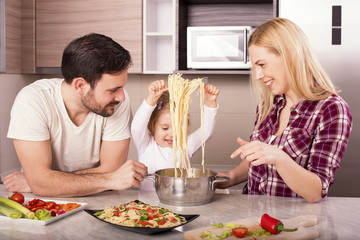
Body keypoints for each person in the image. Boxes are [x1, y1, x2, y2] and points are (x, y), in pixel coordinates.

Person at [216, 18, 352, 203]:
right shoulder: (269, 104)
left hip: (293, 225)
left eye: (262, 65)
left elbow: (316, 191)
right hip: (252, 218)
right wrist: (230, 178)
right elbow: (258, 159)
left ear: (290, 55)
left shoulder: (331, 109)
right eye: (255, 67)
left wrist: (279, 158)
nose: (257, 75)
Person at [4, 33, 148, 197]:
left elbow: (113, 170)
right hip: (42, 203)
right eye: (113, 90)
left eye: (122, 87)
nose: (121, 96)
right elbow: (41, 184)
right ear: (80, 86)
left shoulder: (116, 103)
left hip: (98, 199)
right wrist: (40, 183)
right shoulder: (33, 100)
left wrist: (46, 182)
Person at [131, 80, 219, 189]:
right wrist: (151, 100)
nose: (172, 134)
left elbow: (206, 131)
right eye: (165, 128)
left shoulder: (185, 145)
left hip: (177, 203)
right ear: (152, 126)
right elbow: (136, 127)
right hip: (147, 204)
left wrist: (210, 103)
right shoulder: (147, 145)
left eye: (179, 127)